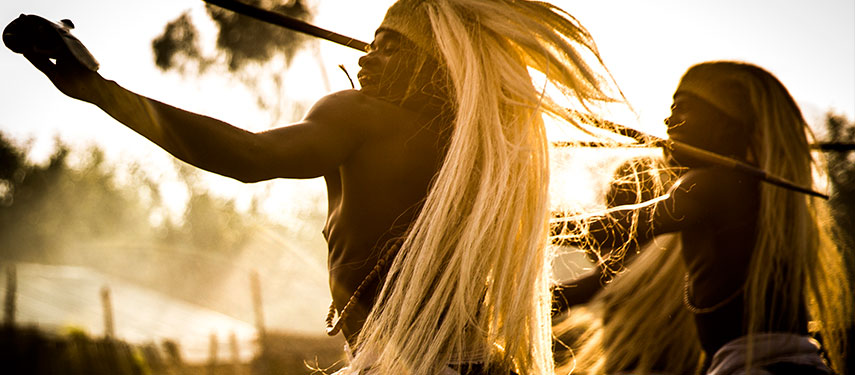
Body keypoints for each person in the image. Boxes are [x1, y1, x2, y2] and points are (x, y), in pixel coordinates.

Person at [18, 0, 625, 373]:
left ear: (427, 62)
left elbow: (248, 156)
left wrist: (101, 92)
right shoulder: (478, 157)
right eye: (369, 42)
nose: (365, 58)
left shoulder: (360, 117)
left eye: (387, 47)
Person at [551, 61, 853, 374]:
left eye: (682, 109)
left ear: (727, 124)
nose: (668, 120)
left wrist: (530, 227)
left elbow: (622, 226)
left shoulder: (711, 185)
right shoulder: (756, 196)